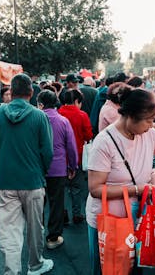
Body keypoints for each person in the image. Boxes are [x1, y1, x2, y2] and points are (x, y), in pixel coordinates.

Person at [86, 88, 155, 275]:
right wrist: (136, 189)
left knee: (134, 269)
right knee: (109, 270)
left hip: (138, 218)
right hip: (110, 221)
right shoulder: (104, 142)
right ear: (130, 116)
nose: (151, 125)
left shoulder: (148, 134)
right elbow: (95, 189)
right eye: (148, 120)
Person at [0, 74, 54, 275]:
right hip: (33, 181)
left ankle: (11, 270)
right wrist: (42, 171)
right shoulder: (40, 116)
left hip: (6, 181)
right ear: (32, 93)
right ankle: (35, 265)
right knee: (35, 228)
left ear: (11, 92)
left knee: (9, 231)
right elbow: (47, 152)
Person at [37, 89, 79, 249]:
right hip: (58, 168)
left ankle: (37, 235)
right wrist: (73, 165)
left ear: (40, 104)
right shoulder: (63, 121)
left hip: (38, 168)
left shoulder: (36, 120)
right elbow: (71, 146)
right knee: (56, 203)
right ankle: (53, 237)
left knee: (38, 203)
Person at [58, 89, 93, 225]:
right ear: (77, 101)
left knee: (61, 189)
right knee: (76, 188)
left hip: (60, 158)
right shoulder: (82, 115)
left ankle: (63, 214)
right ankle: (77, 214)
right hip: (77, 156)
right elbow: (88, 135)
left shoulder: (58, 113)